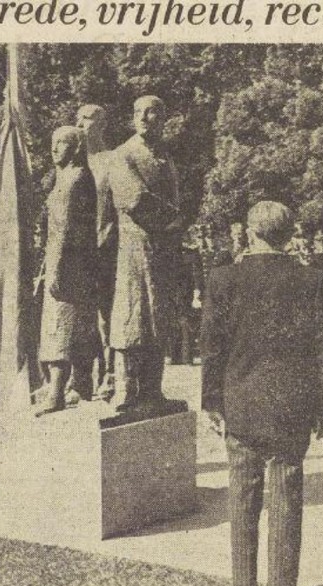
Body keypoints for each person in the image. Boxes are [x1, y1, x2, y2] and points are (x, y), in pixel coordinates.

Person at [201, 201, 323, 586]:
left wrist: (211, 401)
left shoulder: (223, 279)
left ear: (250, 231)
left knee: (242, 491)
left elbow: (211, 347)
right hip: (292, 403)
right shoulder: (312, 280)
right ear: (289, 233)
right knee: (287, 491)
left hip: (240, 399)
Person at [108, 95, 182, 412]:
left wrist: (174, 218)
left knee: (159, 319)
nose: (143, 117)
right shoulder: (123, 154)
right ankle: (126, 389)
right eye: (138, 112)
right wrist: (173, 217)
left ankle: (153, 390)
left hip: (163, 248)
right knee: (132, 316)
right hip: (135, 246)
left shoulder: (166, 157)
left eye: (151, 113)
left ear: (162, 119)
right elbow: (135, 199)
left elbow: (177, 199)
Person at [35, 126, 98, 416]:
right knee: (77, 328)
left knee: (59, 328)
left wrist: (56, 270)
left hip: (67, 268)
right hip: (81, 267)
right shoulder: (76, 179)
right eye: (53, 142)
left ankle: (57, 392)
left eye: (61, 143)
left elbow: (63, 231)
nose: (54, 148)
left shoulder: (72, 182)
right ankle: (79, 385)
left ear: (75, 148)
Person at [71, 104, 118, 401]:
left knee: (106, 317)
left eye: (86, 119)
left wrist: (107, 237)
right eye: (78, 118)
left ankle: (109, 374)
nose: (80, 123)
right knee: (76, 316)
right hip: (77, 253)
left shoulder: (112, 161)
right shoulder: (72, 163)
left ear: (102, 124)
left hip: (106, 249)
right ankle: (79, 380)